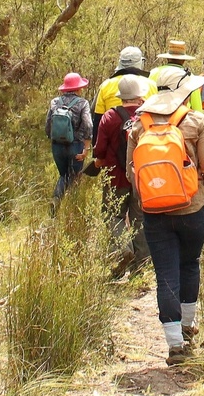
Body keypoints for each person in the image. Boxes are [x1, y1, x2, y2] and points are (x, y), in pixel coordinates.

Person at [128, 68, 204, 366]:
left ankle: (174, 345)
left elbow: (133, 173)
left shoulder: (139, 126)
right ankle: (188, 329)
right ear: (182, 92)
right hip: (193, 207)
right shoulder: (195, 120)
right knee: (189, 264)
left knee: (165, 273)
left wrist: (149, 196)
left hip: (154, 211)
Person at [91, 74, 150, 276]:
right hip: (141, 179)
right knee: (139, 219)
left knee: (113, 214)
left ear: (121, 97)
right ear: (138, 96)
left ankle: (122, 251)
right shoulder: (146, 117)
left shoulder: (109, 116)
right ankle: (140, 267)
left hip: (115, 176)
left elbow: (99, 150)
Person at [45, 72, 92, 205]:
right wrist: (86, 148)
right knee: (75, 176)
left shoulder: (55, 102)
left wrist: (53, 139)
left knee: (63, 175)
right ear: (78, 88)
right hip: (76, 145)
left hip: (57, 145)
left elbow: (48, 124)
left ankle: (57, 201)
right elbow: (88, 125)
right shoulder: (83, 103)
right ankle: (68, 205)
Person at [93, 45, 156, 129]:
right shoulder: (151, 84)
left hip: (113, 137)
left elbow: (98, 118)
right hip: (142, 136)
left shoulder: (106, 85)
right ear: (140, 62)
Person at [148, 39, 203, 112]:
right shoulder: (190, 77)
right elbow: (197, 108)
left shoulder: (154, 72)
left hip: (154, 114)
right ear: (184, 60)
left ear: (167, 58)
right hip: (181, 117)